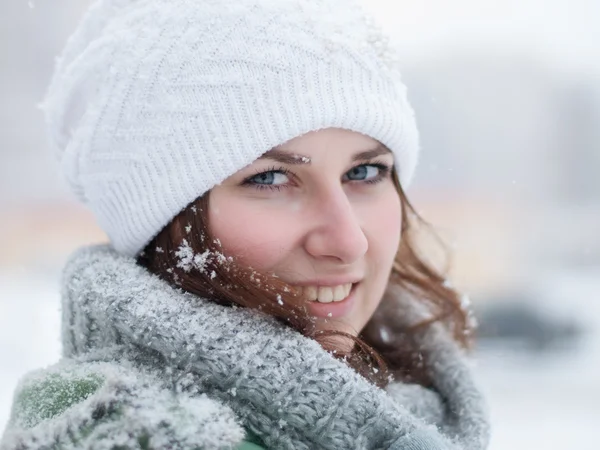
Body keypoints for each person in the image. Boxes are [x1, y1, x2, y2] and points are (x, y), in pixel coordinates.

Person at [1, 0, 490, 449]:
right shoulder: (138, 436)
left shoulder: (418, 401)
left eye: (364, 172)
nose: (347, 240)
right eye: (271, 178)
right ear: (167, 224)